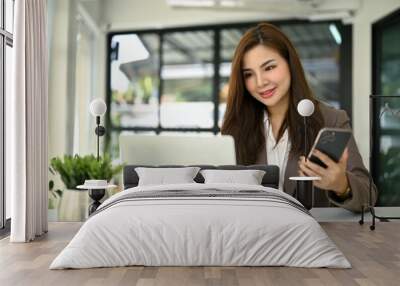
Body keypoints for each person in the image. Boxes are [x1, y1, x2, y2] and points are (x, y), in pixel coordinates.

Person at [221, 22, 377, 212]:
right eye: (248, 74)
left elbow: (368, 195)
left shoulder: (331, 119)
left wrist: (342, 185)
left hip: (310, 237)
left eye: (269, 68)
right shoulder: (236, 127)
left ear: (290, 63)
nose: (260, 82)